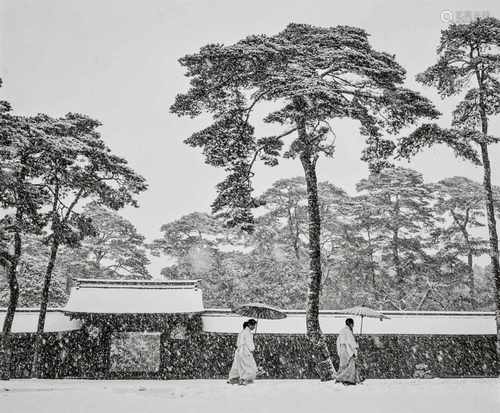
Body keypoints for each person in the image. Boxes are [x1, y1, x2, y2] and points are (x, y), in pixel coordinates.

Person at [227, 319, 258, 385]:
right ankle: (244, 379)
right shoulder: (247, 333)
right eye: (253, 325)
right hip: (245, 351)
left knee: (238, 365)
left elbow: (238, 343)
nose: (254, 327)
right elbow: (249, 343)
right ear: (249, 325)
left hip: (239, 351)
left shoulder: (242, 332)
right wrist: (252, 348)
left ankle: (233, 378)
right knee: (247, 366)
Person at [335, 318, 362, 385]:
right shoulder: (348, 331)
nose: (353, 326)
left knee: (343, 365)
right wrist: (356, 345)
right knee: (350, 364)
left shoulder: (342, 331)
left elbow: (338, 341)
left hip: (342, 349)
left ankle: (340, 378)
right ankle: (348, 379)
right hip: (347, 349)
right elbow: (351, 342)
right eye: (353, 324)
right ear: (350, 324)